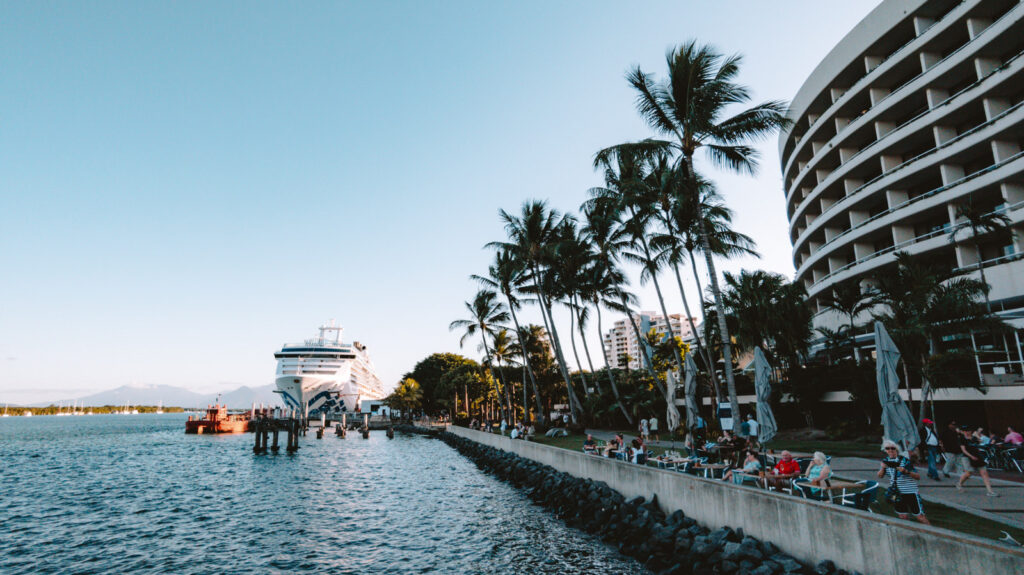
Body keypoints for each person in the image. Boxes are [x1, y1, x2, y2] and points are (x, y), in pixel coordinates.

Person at [878, 440, 930, 525]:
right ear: (885, 450)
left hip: (910, 492)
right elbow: (880, 476)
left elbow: (917, 477)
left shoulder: (904, 461)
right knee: (902, 516)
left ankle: (931, 534)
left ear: (897, 449)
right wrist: (883, 468)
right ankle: (909, 533)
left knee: (919, 516)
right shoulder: (885, 461)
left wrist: (906, 471)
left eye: (892, 448)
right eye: (887, 448)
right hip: (897, 493)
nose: (890, 450)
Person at [957, 427, 999, 496]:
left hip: (977, 456)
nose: (966, 433)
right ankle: (959, 483)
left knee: (984, 473)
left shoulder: (974, 438)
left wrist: (977, 435)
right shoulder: (961, 439)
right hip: (966, 457)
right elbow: (964, 450)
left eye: (968, 431)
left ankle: (990, 491)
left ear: (971, 431)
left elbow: (980, 442)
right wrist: (971, 456)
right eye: (965, 431)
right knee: (969, 473)